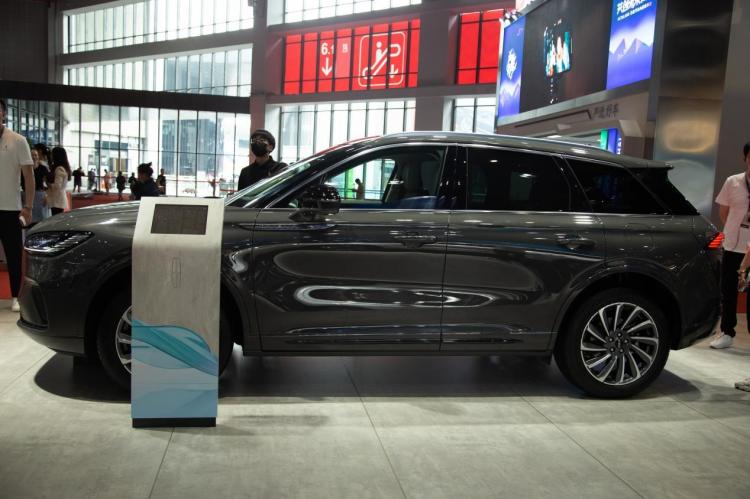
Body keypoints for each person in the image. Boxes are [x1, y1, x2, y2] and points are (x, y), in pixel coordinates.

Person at [712, 141, 750, 349]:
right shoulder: (733, 182)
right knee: (728, 290)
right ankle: (727, 332)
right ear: (745, 158)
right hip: (733, 245)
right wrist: (735, 230)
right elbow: (723, 212)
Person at [0, 98, 35, 312]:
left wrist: (28, 206)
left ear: (3, 113)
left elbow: (28, 176)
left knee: (13, 256)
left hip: (10, 209)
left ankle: (15, 296)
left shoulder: (18, 141)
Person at [47, 147, 71, 216]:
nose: (51, 156)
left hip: (57, 200)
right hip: (59, 200)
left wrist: (48, 184)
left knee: (55, 218)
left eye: (52, 154)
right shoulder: (64, 168)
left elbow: (57, 186)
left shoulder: (59, 169)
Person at [30, 143, 51, 224]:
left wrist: (46, 195)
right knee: (29, 220)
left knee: (41, 220)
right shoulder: (25, 168)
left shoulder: (43, 168)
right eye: (32, 155)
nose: (34, 157)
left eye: (35, 155)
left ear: (38, 156)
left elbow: (48, 184)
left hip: (40, 195)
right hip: (27, 195)